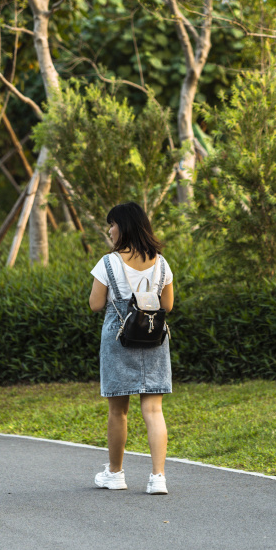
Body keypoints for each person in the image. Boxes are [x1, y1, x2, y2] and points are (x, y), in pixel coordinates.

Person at [89, 202, 174, 495]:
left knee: (118, 411)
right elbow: (169, 305)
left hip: (118, 337)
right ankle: (158, 477)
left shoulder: (108, 263)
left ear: (122, 226)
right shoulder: (161, 262)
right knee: (153, 408)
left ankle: (115, 474)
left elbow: (96, 304)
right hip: (153, 337)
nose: (110, 230)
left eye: (111, 224)